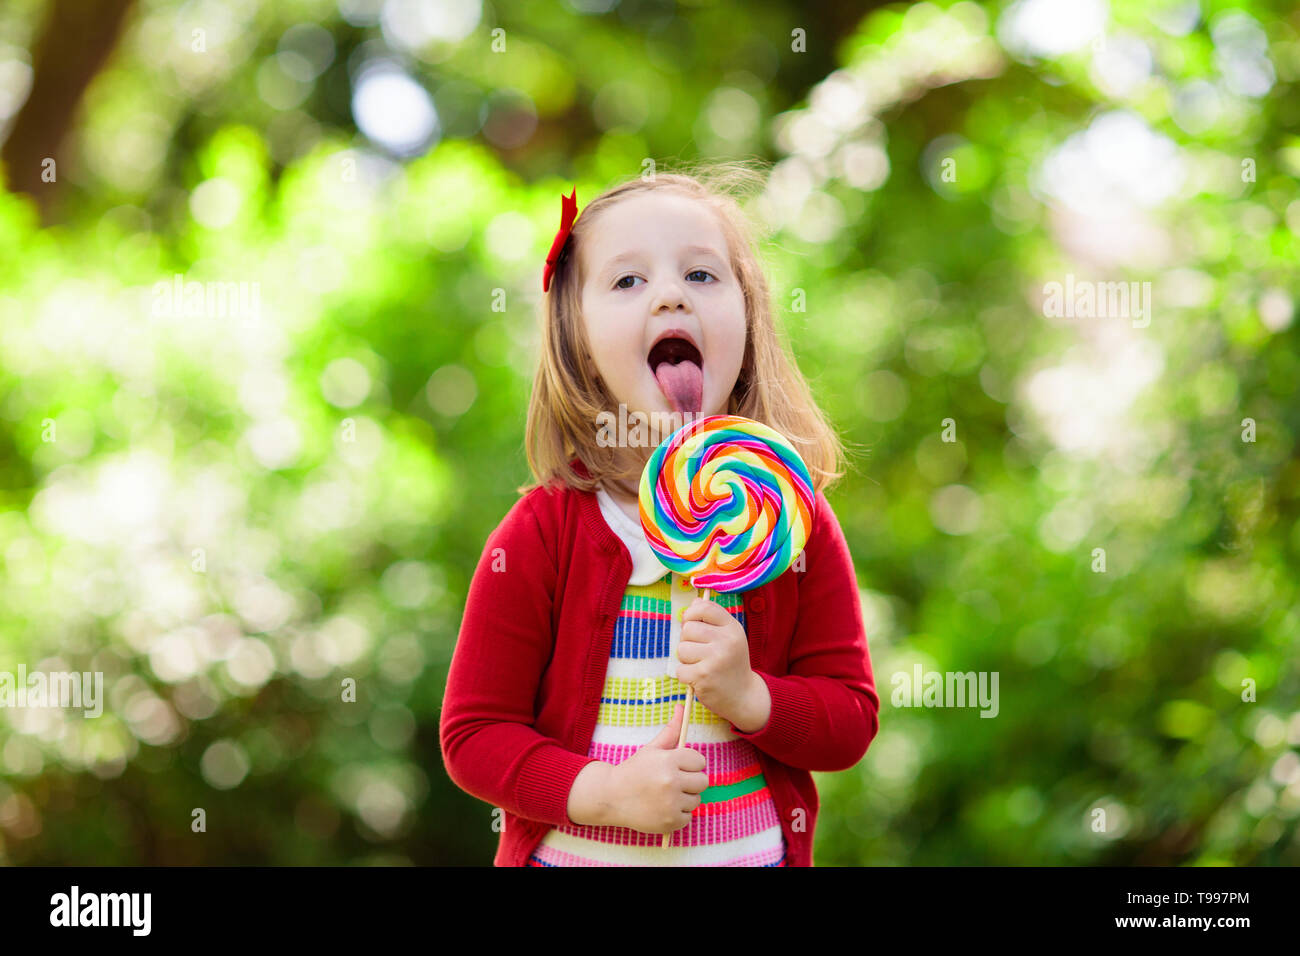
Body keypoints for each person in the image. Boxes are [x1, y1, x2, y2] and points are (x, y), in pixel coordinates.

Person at [439, 163, 879, 866]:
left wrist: (750, 695)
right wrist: (604, 792)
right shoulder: (543, 532)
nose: (672, 295)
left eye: (702, 276)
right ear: (578, 339)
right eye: (628, 281)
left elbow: (850, 720)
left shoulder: (789, 518)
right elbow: (475, 735)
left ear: (750, 313)